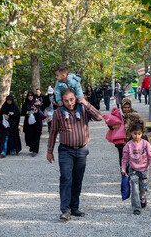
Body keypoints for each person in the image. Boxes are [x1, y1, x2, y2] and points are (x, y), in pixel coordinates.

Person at [47, 88, 103, 221]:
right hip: (66, 150)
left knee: (77, 179)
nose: (70, 103)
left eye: (71, 99)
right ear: (62, 101)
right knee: (66, 178)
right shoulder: (58, 113)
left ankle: (74, 207)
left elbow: (99, 117)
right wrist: (49, 151)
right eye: (66, 101)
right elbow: (53, 132)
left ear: (76, 98)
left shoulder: (83, 109)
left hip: (82, 150)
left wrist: (86, 103)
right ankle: (65, 210)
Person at [121, 123, 151, 215]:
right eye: (134, 133)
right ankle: (136, 207)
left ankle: (143, 198)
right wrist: (123, 168)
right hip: (133, 171)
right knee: (135, 189)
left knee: (143, 188)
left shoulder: (146, 144)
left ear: (142, 134)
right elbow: (124, 158)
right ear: (131, 134)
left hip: (145, 171)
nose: (136, 136)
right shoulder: (128, 146)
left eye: (139, 133)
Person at [110, 99, 145, 169]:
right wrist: (112, 126)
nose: (127, 109)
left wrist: (141, 123)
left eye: (128, 107)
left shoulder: (135, 115)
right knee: (123, 159)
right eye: (125, 107)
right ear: (121, 107)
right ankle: (124, 176)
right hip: (121, 142)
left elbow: (140, 129)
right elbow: (111, 127)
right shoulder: (117, 115)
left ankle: (132, 176)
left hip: (132, 141)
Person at [21, 91, 44, 157]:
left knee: (36, 136)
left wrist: (38, 105)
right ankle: (32, 147)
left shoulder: (37, 103)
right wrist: (28, 113)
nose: (30, 97)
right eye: (29, 96)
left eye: (31, 95)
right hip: (28, 123)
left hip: (37, 122)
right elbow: (22, 112)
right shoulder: (26, 104)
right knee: (29, 137)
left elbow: (43, 107)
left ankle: (35, 150)